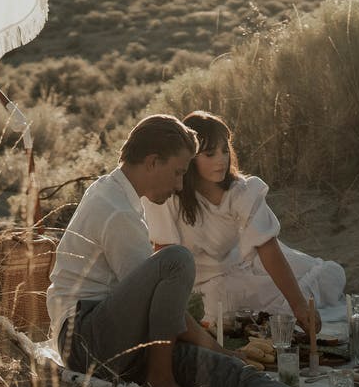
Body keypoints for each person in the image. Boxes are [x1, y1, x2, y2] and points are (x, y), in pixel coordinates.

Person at [47, 114, 359, 387]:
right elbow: (162, 303)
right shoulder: (116, 210)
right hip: (83, 335)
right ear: (153, 162)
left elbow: (158, 313)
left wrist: (220, 353)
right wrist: (212, 343)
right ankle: (161, 381)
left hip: (116, 339)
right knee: (177, 260)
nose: (181, 184)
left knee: (224, 370)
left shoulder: (117, 193)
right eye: (179, 172)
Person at [145, 111, 346, 336]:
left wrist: (299, 304)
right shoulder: (170, 194)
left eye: (224, 150)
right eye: (210, 154)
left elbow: (267, 248)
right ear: (189, 159)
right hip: (203, 287)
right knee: (248, 306)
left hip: (241, 263)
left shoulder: (241, 191)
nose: (221, 159)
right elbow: (163, 255)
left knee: (331, 274)